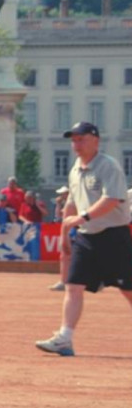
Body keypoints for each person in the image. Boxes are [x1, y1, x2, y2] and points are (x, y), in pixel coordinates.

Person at [36, 122, 132, 357]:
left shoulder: (108, 166)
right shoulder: (75, 169)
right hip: (86, 237)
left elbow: (112, 200)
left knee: (128, 290)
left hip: (113, 236)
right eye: (74, 140)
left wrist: (82, 217)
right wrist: (64, 235)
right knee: (73, 286)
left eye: (81, 139)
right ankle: (64, 339)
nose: (76, 144)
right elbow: (71, 202)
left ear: (96, 140)